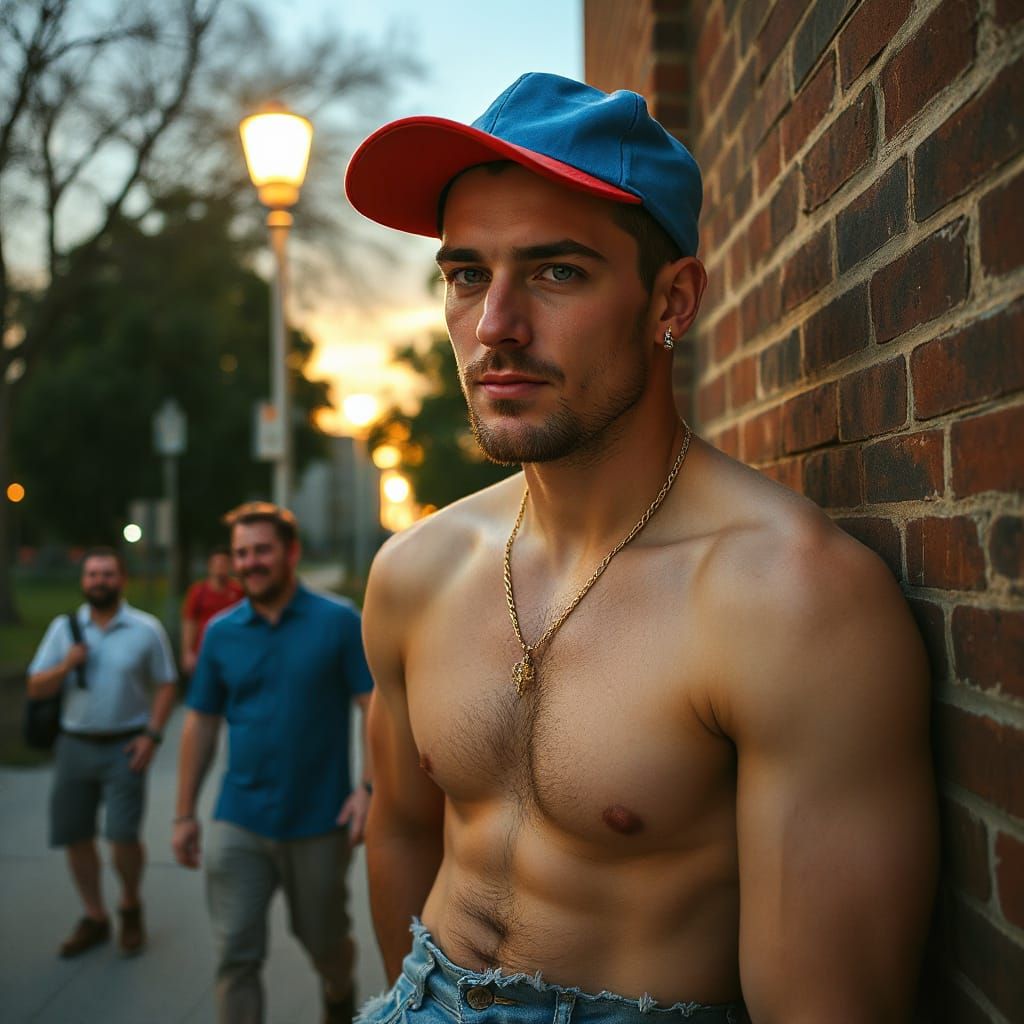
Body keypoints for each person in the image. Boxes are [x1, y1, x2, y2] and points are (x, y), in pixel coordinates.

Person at [344, 73, 938, 1023]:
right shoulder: (415, 572)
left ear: (673, 300)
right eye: (466, 276)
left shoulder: (789, 601)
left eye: (556, 272)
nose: (494, 327)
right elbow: (402, 832)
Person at [172, 501, 374, 1024]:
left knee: (325, 944)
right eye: (241, 553)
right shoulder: (220, 632)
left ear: (291, 553)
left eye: (262, 550)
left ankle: (338, 991)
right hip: (238, 819)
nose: (250, 562)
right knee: (235, 955)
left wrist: (368, 789)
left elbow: (374, 706)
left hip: (320, 821)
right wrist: (184, 813)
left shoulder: (338, 622)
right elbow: (201, 722)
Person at [26, 546, 177, 958]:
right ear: (83, 581)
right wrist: (66, 665)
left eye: (107, 574)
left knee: (123, 836)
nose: (99, 581)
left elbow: (167, 683)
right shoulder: (64, 629)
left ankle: (130, 904)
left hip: (126, 747)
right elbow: (35, 687)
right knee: (76, 835)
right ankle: (94, 916)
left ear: (122, 579)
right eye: (92, 574)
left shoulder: (145, 629)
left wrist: (152, 735)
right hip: (74, 745)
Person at [180, 546, 244, 676]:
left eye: (224, 564)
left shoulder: (239, 591)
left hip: (232, 653)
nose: (220, 568)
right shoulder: (198, 592)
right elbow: (189, 622)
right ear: (210, 566)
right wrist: (187, 652)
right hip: (203, 653)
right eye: (217, 564)